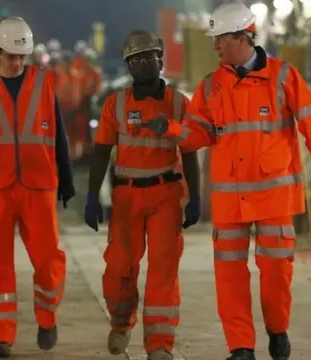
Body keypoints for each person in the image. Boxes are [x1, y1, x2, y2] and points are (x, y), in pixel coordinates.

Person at [141, 4, 311, 360]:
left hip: (274, 199)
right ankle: (241, 347)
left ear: (241, 37)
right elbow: (198, 133)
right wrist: (172, 130)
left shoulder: (283, 77)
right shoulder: (211, 86)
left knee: (276, 273)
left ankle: (277, 330)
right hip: (231, 203)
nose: (216, 45)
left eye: (220, 38)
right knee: (230, 277)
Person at [83, 30, 202, 360]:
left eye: (149, 58)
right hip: (127, 198)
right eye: (136, 60)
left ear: (161, 61)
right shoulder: (115, 104)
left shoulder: (179, 103)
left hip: (167, 193)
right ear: (127, 66)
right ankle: (121, 323)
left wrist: (195, 196)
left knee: (164, 271)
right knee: (119, 268)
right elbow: (101, 153)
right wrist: (92, 197)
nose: (143, 65)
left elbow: (190, 151)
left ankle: (159, 345)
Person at [0, 16, 75, 359]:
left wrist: (67, 174)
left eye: (22, 56)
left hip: (39, 184)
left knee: (48, 259)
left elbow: (57, 131)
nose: (16, 62)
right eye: (11, 55)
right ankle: (0, 337)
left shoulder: (44, 82)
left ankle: (47, 317)